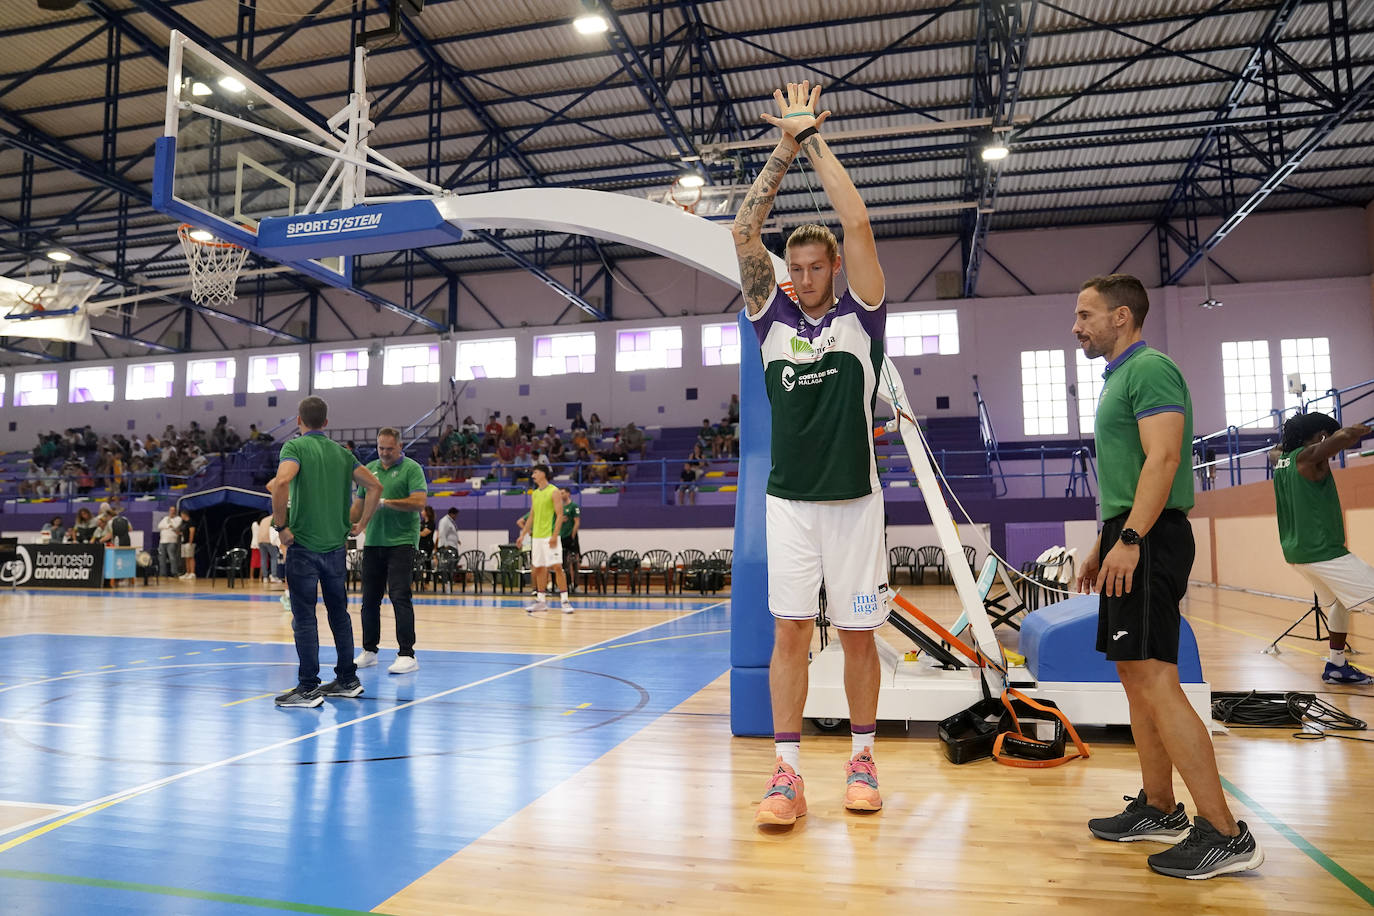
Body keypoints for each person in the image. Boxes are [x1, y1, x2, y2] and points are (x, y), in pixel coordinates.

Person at [1072, 273, 1262, 879]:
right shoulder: (1119, 378)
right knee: (1134, 675)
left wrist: (1130, 538)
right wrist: (1102, 540)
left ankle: (1224, 832)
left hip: (1148, 536)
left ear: (1121, 317)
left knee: (1155, 677)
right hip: (1128, 531)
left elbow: (1165, 458)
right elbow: (1132, 471)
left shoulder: (1150, 369)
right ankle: (1159, 805)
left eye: (1086, 315)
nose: (1077, 327)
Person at [733, 80, 887, 825]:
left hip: (855, 505)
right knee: (790, 632)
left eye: (815, 265)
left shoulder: (862, 319)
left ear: (833, 268)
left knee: (858, 636)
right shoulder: (772, 324)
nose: (802, 274)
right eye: (794, 266)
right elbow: (742, 232)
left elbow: (856, 220)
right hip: (789, 504)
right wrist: (780, 149)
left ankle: (862, 757)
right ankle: (786, 772)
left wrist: (814, 137)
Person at [269, 396, 382, 708]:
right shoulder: (342, 454)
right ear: (327, 422)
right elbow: (375, 487)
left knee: (304, 618)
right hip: (335, 547)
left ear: (299, 421)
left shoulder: (294, 448)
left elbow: (280, 483)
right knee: (339, 615)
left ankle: (308, 688)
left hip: (304, 546)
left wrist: (281, 527)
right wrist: (361, 524)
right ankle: (347, 679)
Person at [1271, 412, 1374, 684]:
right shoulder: (1307, 458)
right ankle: (1336, 665)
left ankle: (1336, 666)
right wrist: (1356, 431)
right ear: (1321, 438)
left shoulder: (1280, 460)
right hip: (1323, 552)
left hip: (1297, 555)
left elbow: (1275, 450)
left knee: (1340, 603)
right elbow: (1342, 437)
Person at [353, 427, 427, 676]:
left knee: (399, 596)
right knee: (369, 600)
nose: (384, 453)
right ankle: (369, 651)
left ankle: (407, 654)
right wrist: (343, 523)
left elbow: (419, 502)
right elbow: (358, 506)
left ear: (399, 446)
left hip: (402, 542)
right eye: (380, 448)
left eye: (389, 449)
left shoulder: (412, 469)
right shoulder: (369, 469)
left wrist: (384, 503)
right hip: (373, 541)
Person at [515, 465, 573, 613]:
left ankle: (565, 601)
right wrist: (523, 534)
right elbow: (532, 516)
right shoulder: (534, 493)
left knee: (557, 567)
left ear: (543, 474)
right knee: (539, 568)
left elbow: (560, 515)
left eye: (535, 472)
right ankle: (541, 601)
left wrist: (554, 535)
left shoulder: (554, 491)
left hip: (550, 536)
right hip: (537, 538)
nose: (532, 475)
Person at [559, 489, 581, 594]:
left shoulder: (573, 506)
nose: (561, 495)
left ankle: (576, 585)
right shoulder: (560, 507)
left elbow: (577, 522)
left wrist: (572, 536)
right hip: (562, 537)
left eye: (562, 493)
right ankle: (566, 585)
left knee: (575, 561)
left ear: (568, 493)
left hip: (571, 537)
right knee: (564, 563)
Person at [255, 514, 281, 584]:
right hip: (268, 539)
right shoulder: (275, 518)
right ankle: (273, 576)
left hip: (260, 540)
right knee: (274, 557)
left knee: (263, 558)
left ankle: (265, 577)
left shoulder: (264, 519)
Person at [157, 507, 182, 579]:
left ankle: (174, 573)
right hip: (162, 541)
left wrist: (170, 522)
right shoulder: (165, 518)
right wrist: (167, 526)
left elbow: (175, 526)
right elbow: (159, 526)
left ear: (176, 511)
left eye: (173, 510)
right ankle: (162, 574)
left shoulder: (178, 519)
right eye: (171, 510)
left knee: (172, 558)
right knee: (162, 558)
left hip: (172, 541)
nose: (172, 512)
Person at [178, 507, 197, 580]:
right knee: (186, 558)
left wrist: (190, 542)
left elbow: (192, 532)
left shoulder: (191, 522)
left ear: (184, 514)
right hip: (184, 542)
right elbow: (183, 532)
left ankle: (192, 573)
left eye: (181, 515)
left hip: (189, 543)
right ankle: (187, 572)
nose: (181, 516)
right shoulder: (183, 523)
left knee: (190, 557)